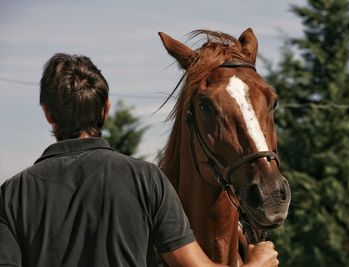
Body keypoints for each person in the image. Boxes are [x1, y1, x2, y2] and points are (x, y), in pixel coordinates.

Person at [0, 53, 279, 267]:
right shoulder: (147, 180)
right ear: (106, 109)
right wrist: (256, 263)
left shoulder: (11, 194)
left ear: (47, 113)